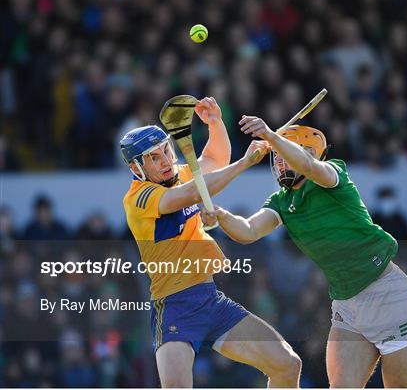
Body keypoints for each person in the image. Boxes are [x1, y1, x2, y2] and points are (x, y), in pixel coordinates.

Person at [202, 116, 407, 388]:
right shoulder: (282, 202)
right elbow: (248, 231)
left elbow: (307, 165)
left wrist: (272, 137)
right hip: (346, 303)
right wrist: (222, 215)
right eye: (277, 158)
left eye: (285, 154)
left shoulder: (332, 174)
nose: (280, 162)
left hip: (386, 292)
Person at [120, 98, 301, 388]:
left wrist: (215, 124)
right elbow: (192, 193)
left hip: (210, 299)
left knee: (287, 365)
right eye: (154, 157)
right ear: (136, 166)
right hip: (175, 305)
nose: (166, 161)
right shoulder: (138, 197)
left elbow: (216, 160)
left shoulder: (178, 173)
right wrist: (246, 163)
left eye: (166, 150)